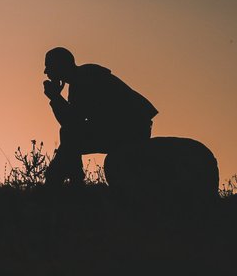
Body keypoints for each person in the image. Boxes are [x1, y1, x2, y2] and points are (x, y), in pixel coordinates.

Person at [41, 46, 157, 185]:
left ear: (60, 65)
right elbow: (73, 122)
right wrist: (56, 98)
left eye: (49, 66)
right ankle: (70, 181)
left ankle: (69, 182)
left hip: (130, 130)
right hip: (123, 127)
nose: (45, 71)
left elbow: (72, 123)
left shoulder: (85, 79)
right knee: (69, 134)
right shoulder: (81, 79)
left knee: (69, 134)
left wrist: (55, 98)